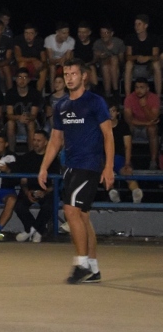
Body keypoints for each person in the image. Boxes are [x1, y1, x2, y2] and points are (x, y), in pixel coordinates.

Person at [38, 61, 113, 284]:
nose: (69, 78)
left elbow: (108, 135)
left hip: (89, 164)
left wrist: (109, 167)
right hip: (70, 166)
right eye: (66, 74)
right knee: (82, 217)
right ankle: (94, 268)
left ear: (84, 76)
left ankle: (81, 264)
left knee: (70, 210)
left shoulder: (95, 102)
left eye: (73, 74)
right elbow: (55, 140)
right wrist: (43, 167)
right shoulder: (61, 105)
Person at [14, 130, 59, 242]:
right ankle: (38, 230)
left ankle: (32, 231)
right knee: (19, 206)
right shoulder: (26, 158)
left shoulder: (53, 159)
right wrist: (27, 192)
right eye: (34, 140)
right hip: (29, 189)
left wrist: (45, 192)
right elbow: (23, 180)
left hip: (46, 190)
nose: (35, 143)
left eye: (39, 140)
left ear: (46, 142)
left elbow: (56, 183)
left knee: (48, 206)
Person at [107, 102, 143, 204]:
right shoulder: (100, 125)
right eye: (108, 111)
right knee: (105, 172)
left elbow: (128, 146)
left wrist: (127, 163)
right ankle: (112, 192)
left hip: (118, 157)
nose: (110, 114)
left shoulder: (123, 126)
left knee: (126, 171)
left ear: (117, 112)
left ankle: (136, 193)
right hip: (104, 157)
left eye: (113, 111)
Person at [123, 78, 159, 169]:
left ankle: (153, 161)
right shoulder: (129, 98)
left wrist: (144, 106)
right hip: (135, 126)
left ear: (147, 89)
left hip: (148, 127)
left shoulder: (154, 98)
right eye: (137, 87)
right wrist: (146, 123)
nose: (139, 90)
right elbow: (128, 119)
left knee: (152, 129)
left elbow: (153, 118)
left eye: (142, 87)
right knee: (127, 128)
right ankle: (127, 161)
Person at [4, 69, 42, 152]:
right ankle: (11, 153)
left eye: (25, 77)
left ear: (28, 80)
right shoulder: (10, 93)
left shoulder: (34, 93)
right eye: (20, 77)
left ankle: (32, 153)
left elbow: (34, 115)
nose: (22, 80)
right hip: (15, 121)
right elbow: (9, 114)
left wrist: (26, 118)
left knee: (31, 124)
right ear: (16, 79)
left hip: (29, 120)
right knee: (10, 123)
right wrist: (19, 117)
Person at [93, 23, 125, 98]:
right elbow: (94, 61)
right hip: (102, 69)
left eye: (106, 33)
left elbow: (121, 60)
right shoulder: (97, 43)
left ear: (111, 33)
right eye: (102, 33)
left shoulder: (119, 43)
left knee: (114, 59)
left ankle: (114, 90)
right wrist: (99, 56)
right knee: (105, 66)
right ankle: (110, 92)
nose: (104, 35)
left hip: (117, 69)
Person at [14, 24, 48, 93]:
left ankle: (37, 94)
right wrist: (33, 59)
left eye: (31, 33)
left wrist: (40, 66)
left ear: (35, 34)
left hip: (35, 67)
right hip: (22, 66)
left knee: (44, 70)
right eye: (26, 33)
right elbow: (18, 58)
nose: (28, 36)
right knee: (22, 64)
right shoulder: (18, 40)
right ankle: (21, 91)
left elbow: (44, 60)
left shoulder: (40, 41)